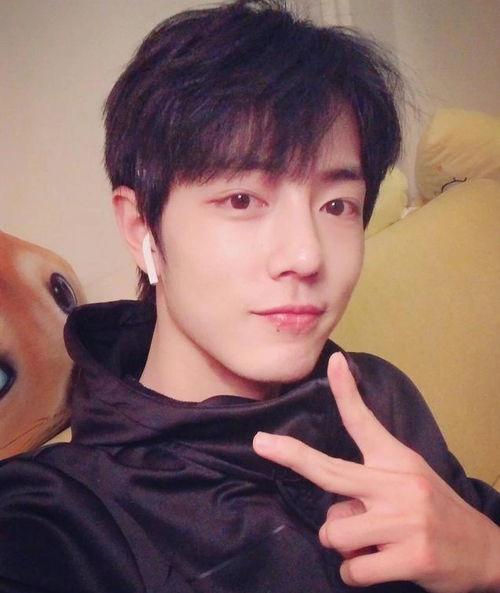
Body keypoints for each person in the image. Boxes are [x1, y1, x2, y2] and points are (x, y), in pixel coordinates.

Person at [0, 1, 498, 592]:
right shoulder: (62, 516)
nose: (306, 256)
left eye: (337, 205)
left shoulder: (376, 397)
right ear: (141, 228)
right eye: (242, 200)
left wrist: (487, 556)